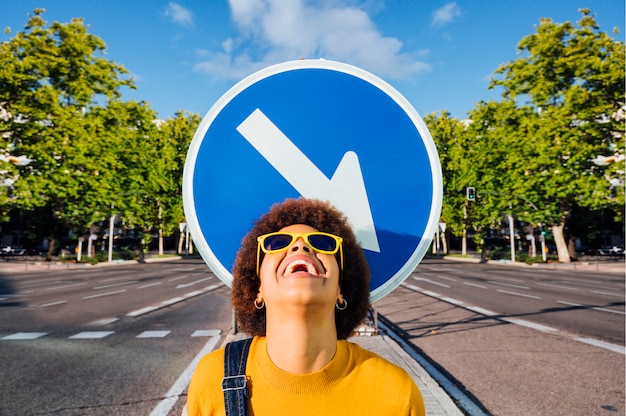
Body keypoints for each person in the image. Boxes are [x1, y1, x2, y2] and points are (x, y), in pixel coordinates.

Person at [187, 198, 425, 415]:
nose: (300, 247)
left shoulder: (396, 393)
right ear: (257, 288)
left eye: (321, 243)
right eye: (277, 243)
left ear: (341, 289)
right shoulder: (212, 378)